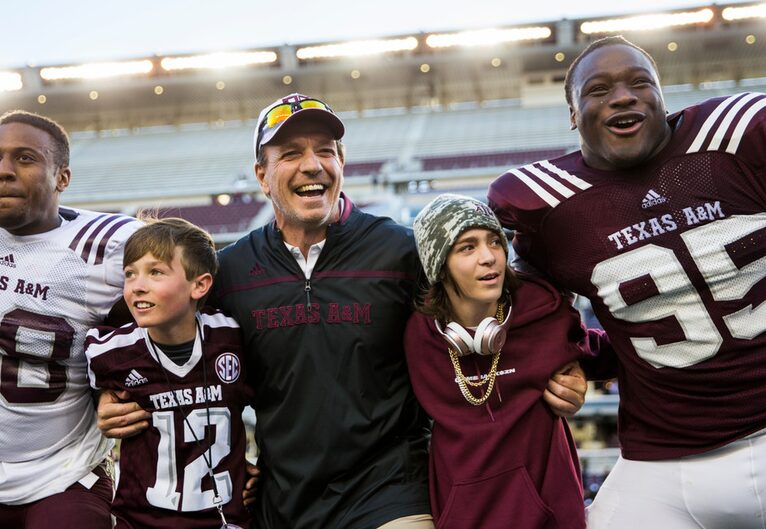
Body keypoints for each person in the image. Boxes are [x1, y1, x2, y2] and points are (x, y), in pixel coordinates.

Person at [99, 93, 588, 528]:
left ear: (342, 163)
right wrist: (112, 392)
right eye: (290, 153)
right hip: (282, 498)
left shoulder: (400, 252)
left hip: (391, 487)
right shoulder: (230, 271)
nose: (312, 164)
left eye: (325, 151)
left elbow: (500, 300)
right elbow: (141, 322)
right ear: (262, 175)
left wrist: (564, 365)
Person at [488, 35, 766, 529]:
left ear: (662, 95)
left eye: (641, 83)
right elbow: (541, 324)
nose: (623, 97)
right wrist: (569, 365)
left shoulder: (740, 136)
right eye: (598, 90)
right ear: (573, 114)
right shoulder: (545, 204)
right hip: (666, 465)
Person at [0, 110, 140, 528]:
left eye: (25, 159)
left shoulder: (106, 249)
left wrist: (115, 385)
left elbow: (171, 336)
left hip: (66, 475)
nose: (3, 172)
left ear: (62, 178)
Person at [406, 194, 609, 529]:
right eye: (467, 247)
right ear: (438, 266)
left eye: (494, 242)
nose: (489, 258)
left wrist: (579, 374)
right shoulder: (418, 337)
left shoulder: (541, 310)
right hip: (465, 517)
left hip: (549, 514)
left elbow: (606, 354)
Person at [86, 218, 252, 529]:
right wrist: (100, 400)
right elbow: (87, 395)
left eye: (156, 272)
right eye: (130, 274)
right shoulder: (110, 351)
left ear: (199, 285)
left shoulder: (234, 337)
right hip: (140, 521)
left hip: (225, 519)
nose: (137, 285)